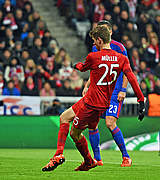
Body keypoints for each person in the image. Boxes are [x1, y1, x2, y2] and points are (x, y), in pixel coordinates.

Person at [42, 25, 145, 172]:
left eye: (94, 41)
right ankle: (61, 155)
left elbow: (83, 67)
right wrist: (141, 100)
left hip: (91, 103)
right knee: (64, 117)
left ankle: (89, 161)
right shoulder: (122, 59)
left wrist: (74, 65)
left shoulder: (94, 56)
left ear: (100, 40)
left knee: (74, 133)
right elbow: (132, 79)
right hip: (102, 102)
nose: (94, 44)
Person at [85, 20, 132, 167]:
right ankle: (97, 159)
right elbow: (94, 70)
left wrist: (123, 89)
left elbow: (127, 71)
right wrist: (87, 85)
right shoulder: (95, 48)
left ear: (110, 32)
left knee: (110, 123)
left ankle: (126, 157)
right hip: (98, 91)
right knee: (92, 124)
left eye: (104, 30)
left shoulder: (119, 47)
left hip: (114, 91)